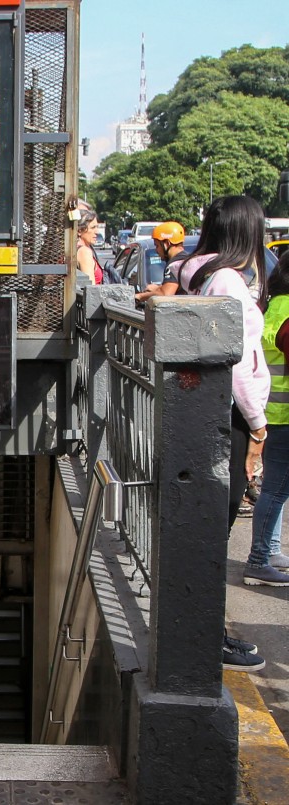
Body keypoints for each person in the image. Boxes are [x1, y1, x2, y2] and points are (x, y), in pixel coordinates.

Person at [173, 195, 271, 670]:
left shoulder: (198, 273)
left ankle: (204, 631)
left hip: (205, 410)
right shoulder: (229, 279)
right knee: (215, 527)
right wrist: (258, 427)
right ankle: (205, 636)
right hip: (230, 414)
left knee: (207, 525)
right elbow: (239, 363)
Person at [247, 252, 289, 587]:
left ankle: (270, 550)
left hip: (269, 410)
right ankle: (259, 560)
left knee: (275, 486)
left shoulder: (271, 306)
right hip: (284, 415)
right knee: (276, 490)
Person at [134, 220, 189, 302]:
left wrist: (140, 296)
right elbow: (174, 287)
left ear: (167, 243)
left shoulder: (175, 265)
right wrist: (158, 288)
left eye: (157, 245)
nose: (156, 250)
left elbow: (165, 294)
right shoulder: (186, 259)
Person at [75, 210, 103, 284]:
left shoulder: (74, 249)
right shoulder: (84, 252)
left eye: (97, 227)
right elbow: (90, 288)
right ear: (79, 230)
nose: (97, 232)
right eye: (93, 227)